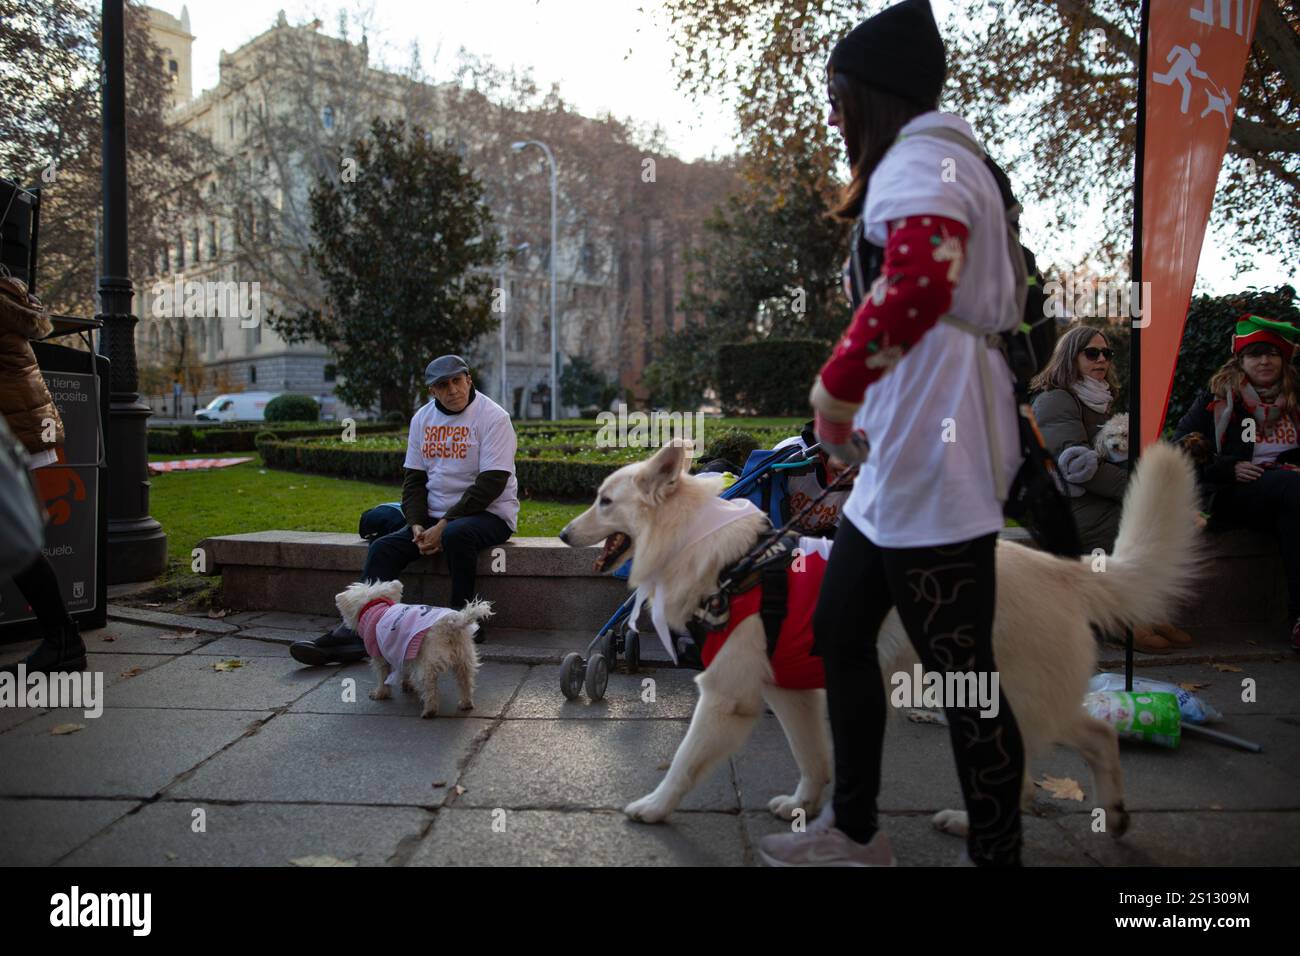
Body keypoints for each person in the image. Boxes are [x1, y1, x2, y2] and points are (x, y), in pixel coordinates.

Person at [758, 0, 1027, 867]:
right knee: (841, 635)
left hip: (932, 461)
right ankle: (858, 832)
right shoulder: (943, 161)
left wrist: (834, 397)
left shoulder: (922, 162)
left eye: (837, 95)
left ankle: (998, 855)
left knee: (963, 677)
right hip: (904, 461)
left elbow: (913, 288)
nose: (832, 114)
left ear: (873, 94)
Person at [290, 355, 518, 665]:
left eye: (457, 381)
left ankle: (463, 625)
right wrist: (415, 525)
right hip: (435, 517)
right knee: (384, 548)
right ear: (432, 391)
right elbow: (414, 481)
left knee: (456, 536)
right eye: (442, 385)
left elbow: (491, 483)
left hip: (490, 514)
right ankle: (357, 632)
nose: (452, 390)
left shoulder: (494, 417)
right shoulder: (422, 419)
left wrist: (444, 523)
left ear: (468, 379)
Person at [1030, 325, 1192, 653]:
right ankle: (1121, 621)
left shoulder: (1098, 397)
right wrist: (1135, 491)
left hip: (1092, 496)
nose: (1101, 359)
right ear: (1069, 356)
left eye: (1106, 353)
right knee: (1134, 523)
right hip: (1063, 504)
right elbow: (1074, 466)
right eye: (1091, 353)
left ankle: (1144, 610)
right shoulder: (1056, 400)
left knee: (1154, 522)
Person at [1172, 314, 1300, 651]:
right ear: (1241, 360)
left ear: (1283, 359)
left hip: (1286, 495)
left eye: (1272, 353)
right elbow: (1179, 447)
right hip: (1232, 496)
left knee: (1293, 519)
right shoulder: (1218, 398)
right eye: (1255, 354)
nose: (1264, 360)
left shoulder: (1296, 399)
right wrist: (1228, 468)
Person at [0, 275, 86, 674]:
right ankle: (62, 639)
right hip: (20, 422)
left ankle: (63, 639)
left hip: (12, 424)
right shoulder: (8, 298)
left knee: (10, 536)